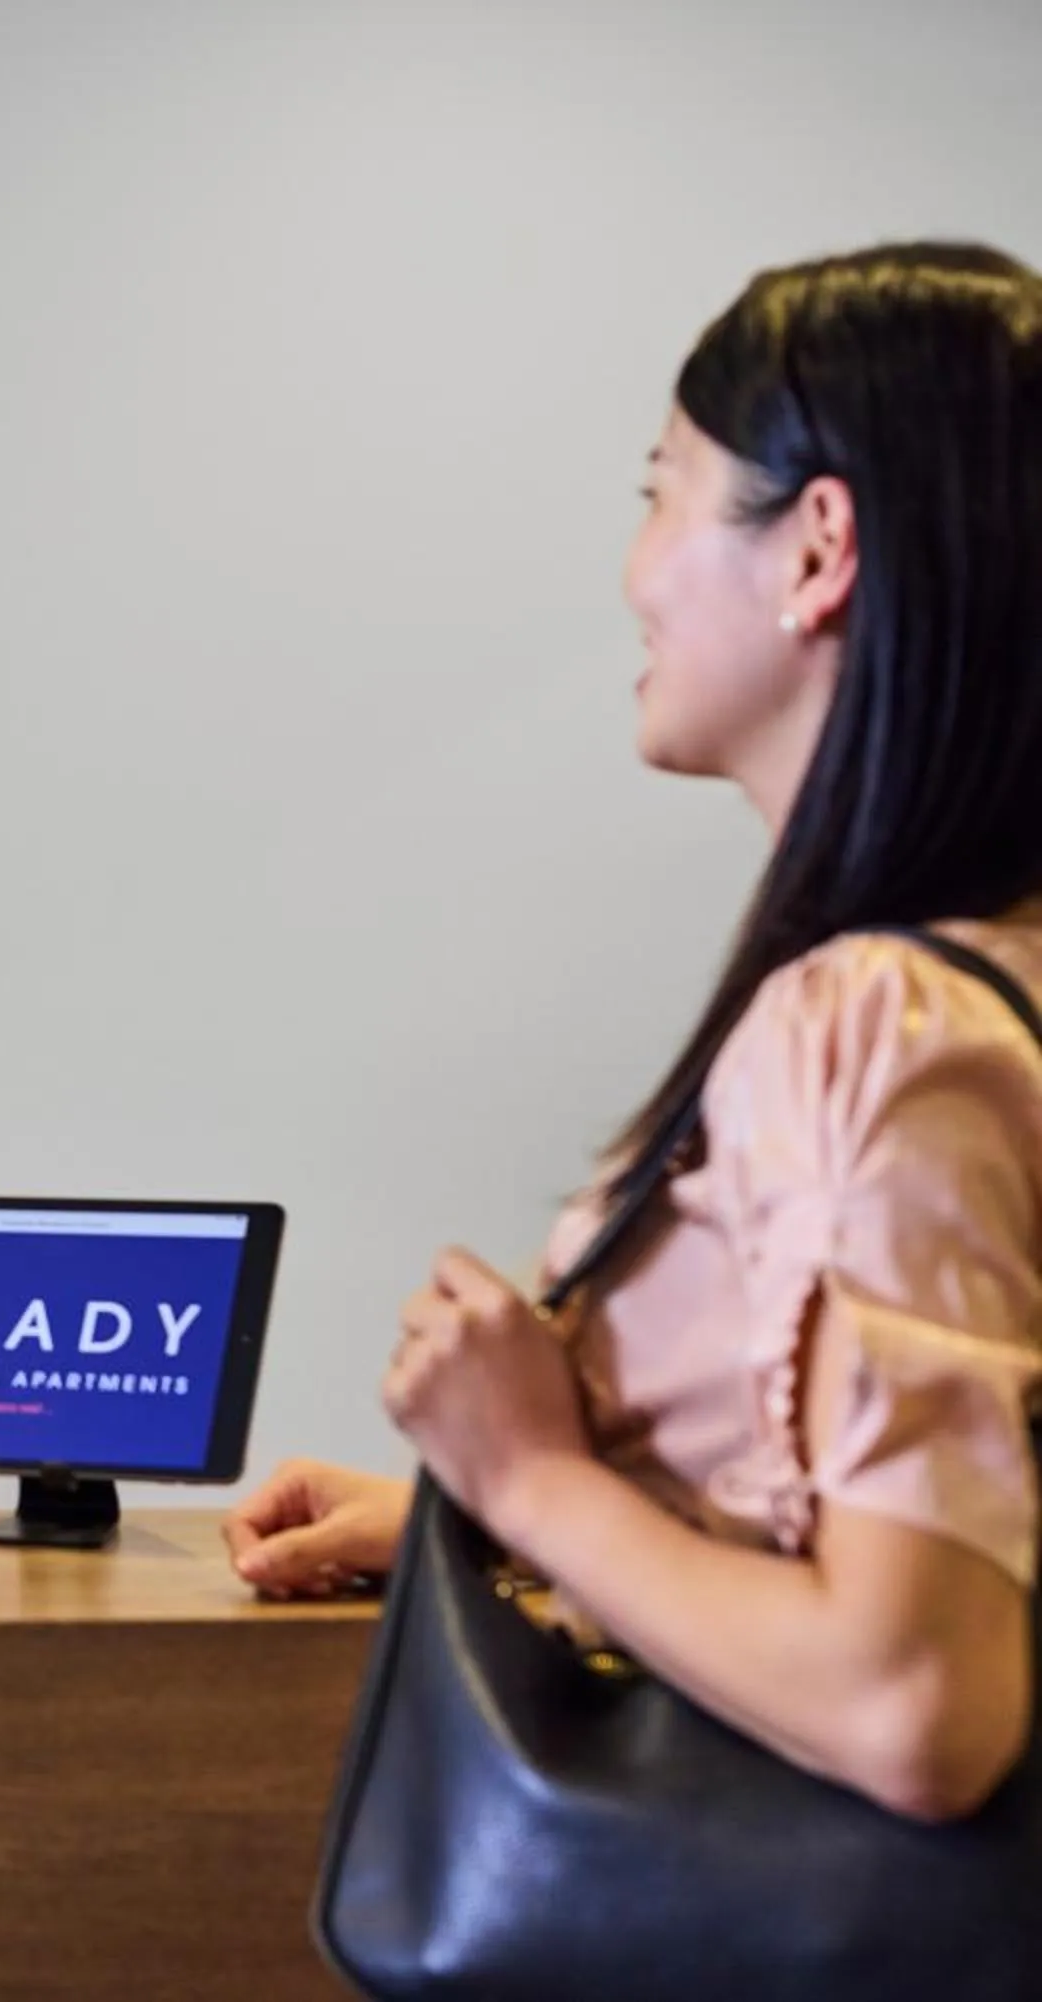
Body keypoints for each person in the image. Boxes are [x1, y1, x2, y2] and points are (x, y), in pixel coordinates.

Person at [225, 243, 1042, 1821]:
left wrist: (533, 1470)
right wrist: (488, 1511)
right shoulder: (997, 972)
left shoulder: (870, 1016)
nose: (635, 567)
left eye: (661, 489)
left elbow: (917, 1698)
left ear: (816, 551)